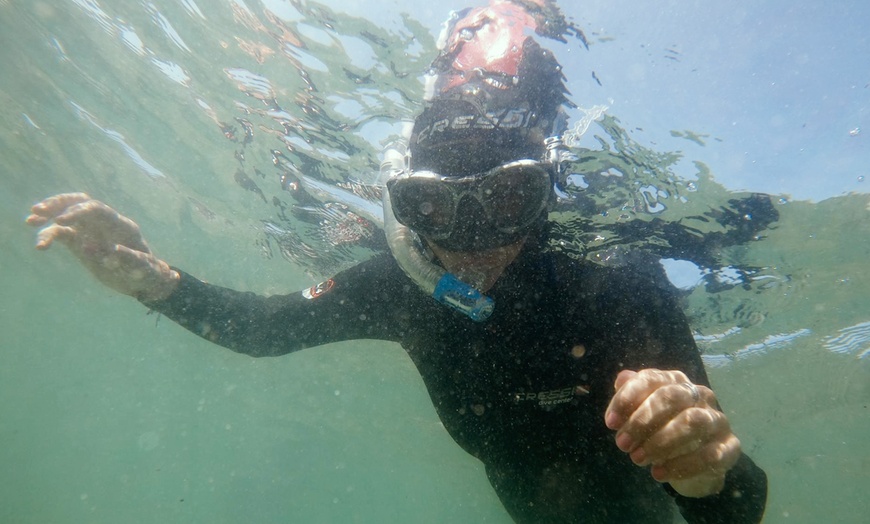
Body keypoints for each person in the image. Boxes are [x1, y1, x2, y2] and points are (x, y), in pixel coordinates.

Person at [26, 1, 767, 522]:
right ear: (403, 204)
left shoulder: (614, 283)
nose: (472, 242)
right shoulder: (401, 286)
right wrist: (153, 280)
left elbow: (737, 509)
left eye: (509, 199)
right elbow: (266, 328)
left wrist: (708, 473)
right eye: (435, 208)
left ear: (545, 197)